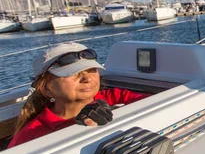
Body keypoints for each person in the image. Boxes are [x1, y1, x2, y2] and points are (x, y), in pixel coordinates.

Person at [8, 42, 149, 148]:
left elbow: (157, 103)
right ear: (46, 88)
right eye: (73, 74)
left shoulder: (112, 97)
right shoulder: (30, 135)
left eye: (92, 70)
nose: (87, 79)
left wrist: (114, 112)